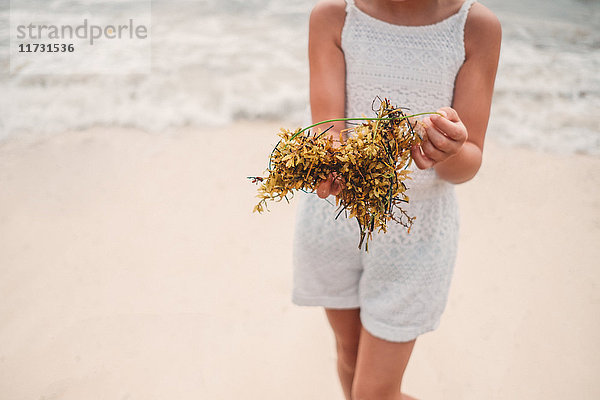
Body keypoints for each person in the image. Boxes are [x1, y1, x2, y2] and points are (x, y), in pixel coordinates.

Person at [291, 0, 501, 399]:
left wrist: (451, 150)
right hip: (334, 223)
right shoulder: (334, 17)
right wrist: (327, 162)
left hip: (415, 237)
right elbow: (328, 129)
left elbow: (468, 161)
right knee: (351, 363)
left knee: (373, 393)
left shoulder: (476, 28)